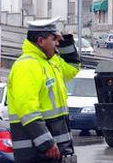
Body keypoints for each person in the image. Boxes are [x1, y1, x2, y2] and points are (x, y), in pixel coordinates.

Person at [7, 17, 80, 162]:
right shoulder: (27, 65)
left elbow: (72, 68)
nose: (57, 43)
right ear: (41, 41)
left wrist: (65, 41)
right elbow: (27, 109)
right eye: (54, 39)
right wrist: (46, 142)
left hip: (52, 150)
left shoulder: (50, 62)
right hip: (38, 152)